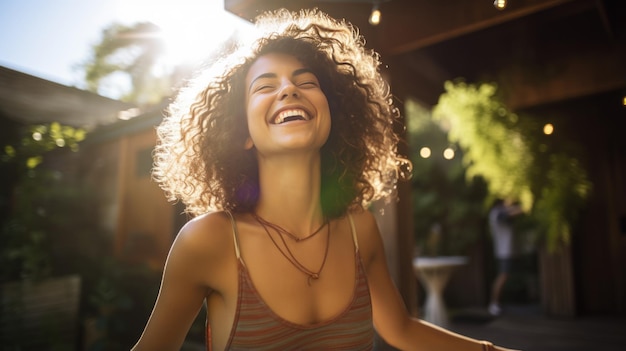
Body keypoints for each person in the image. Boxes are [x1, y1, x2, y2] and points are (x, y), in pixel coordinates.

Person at [132, 9, 518, 351]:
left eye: (306, 82)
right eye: (265, 86)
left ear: (333, 118)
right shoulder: (208, 241)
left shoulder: (359, 228)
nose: (288, 89)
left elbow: (400, 329)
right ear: (242, 134)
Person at [487, 199, 523, 316]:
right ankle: (494, 304)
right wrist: (526, 205)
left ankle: (496, 303)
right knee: (503, 276)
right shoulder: (498, 213)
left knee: (504, 276)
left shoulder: (498, 211)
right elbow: (515, 212)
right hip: (504, 251)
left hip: (507, 250)